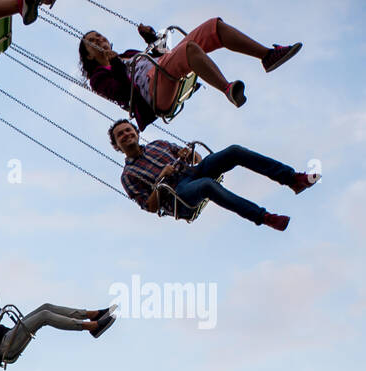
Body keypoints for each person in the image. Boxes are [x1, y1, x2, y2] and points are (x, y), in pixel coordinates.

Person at [79, 20, 301, 127]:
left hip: (162, 71)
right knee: (189, 50)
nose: (98, 40)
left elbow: (162, 56)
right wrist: (114, 63)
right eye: (92, 41)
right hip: (152, 94)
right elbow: (123, 93)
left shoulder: (128, 53)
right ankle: (227, 88)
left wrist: (150, 38)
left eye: (99, 36)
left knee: (212, 27)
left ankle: (267, 55)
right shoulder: (98, 78)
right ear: (89, 55)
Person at [110, 120, 319, 229]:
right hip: (178, 194)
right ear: (117, 146)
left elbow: (197, 158)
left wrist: (188, 154)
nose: (126, 135)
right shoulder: (128, 175)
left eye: (128, 130)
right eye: (120, 135)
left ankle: (292, 179)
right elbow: (150, 206)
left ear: (136, 133)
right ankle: (263, 217)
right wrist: (160, 180)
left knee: (234, 152)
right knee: (207, 185)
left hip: (191, 171)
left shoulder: (158, 144)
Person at [0, 271, 115, 368]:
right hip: (1, 347)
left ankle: (93, 314)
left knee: (46, 307)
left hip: (8, 335)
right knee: (44, 316)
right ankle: (91, 327)